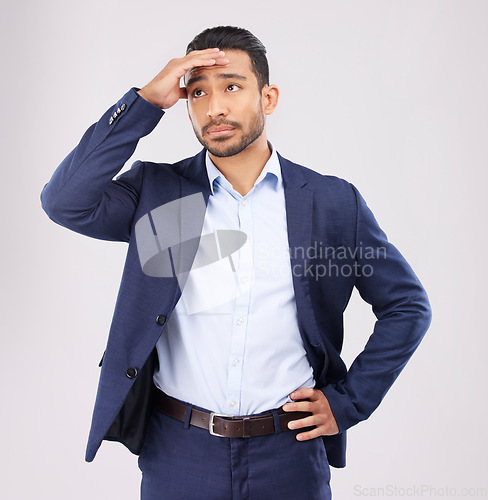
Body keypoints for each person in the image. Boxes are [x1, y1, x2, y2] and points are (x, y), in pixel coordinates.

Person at [40, 26, 432, 500]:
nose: (214, 108)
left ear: (268, 97)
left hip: (289, 451)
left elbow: (407, 305)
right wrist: (146, 102)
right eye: (198, 92)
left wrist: (347, 403)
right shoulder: (162, 195)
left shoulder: (329, 202)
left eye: (231, 86)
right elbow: (65, 202)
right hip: (179, 452)